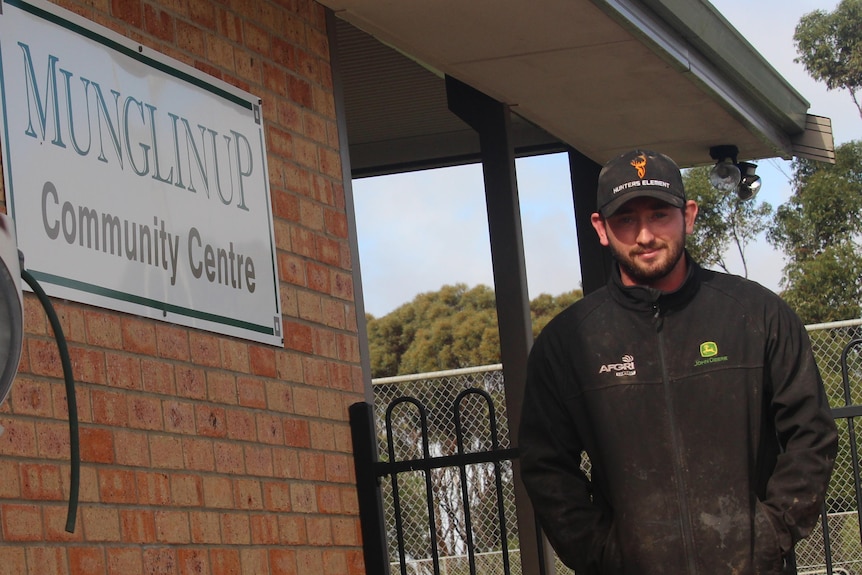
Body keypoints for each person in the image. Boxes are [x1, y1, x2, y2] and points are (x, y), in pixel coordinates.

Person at [518, 149, 838, 575]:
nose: (645, 235)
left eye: (659, 215)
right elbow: (546, 466)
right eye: (626, 220)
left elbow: (811, 435)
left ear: (688, 215)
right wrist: (604, 555)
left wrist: (770, 535)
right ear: (601, 227)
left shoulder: (757, 315)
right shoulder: (568, 342)